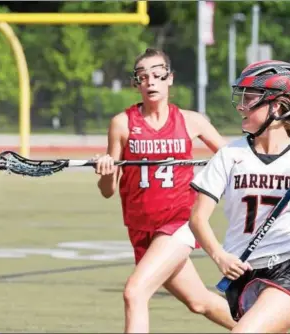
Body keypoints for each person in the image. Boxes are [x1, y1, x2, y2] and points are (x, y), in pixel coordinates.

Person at [189, 60, 290, 333]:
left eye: (250, 99)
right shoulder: (230, 155)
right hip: (243, 271)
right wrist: (219, 256)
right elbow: (197, 218)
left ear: (277, 107)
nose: (241, 106)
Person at [93, 48, 236, 333]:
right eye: (143, 77)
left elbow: (236, 158)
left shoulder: (191, 121)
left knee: (135, 292)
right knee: (199, 302)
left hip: (179, 222)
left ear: (169, 79)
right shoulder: (122, 124)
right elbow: (108, 191)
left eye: (158, 75)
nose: (151, 82)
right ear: (136, 83)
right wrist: (107, 172)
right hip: (141, 227)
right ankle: (263, 327)